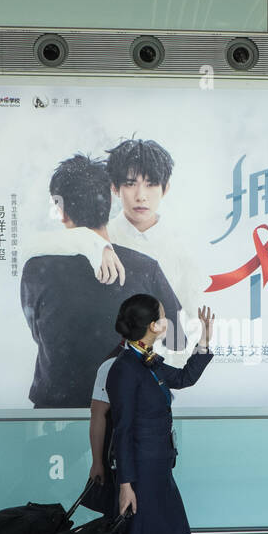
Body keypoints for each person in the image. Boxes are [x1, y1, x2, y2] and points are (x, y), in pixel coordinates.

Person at [58, 294, 217, 534]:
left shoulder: (148, 360)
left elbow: (184, 378)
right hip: (141, 477)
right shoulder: (123, 369)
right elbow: (124, 429)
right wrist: (126, 483)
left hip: (160, 472)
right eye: (162, 318)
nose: (166, 321)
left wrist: (205, 340)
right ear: (151, 327)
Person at [20, 154, 186, 408]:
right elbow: (178, 340)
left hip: (56, 412)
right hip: (131, 409)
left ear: (61, 210)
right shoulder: (144, 268)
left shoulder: (36, 270)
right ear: (109, 203)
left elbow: (39, 333)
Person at [83, 343, 173, 534]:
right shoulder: (115, 365)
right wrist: (97, 461)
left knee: (150, 528)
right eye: (157, 320)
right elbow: (99, 414)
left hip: (152, 460)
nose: (162, 326)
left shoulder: (151, 361)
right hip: (128, 464)